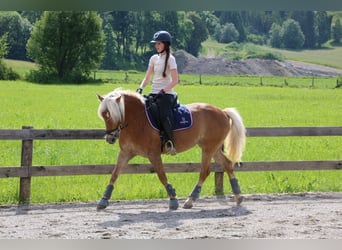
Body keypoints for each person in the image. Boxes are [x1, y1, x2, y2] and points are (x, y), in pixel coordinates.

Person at [137, 30, 179, 155]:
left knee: (163, 115)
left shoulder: (171, 59)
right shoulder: (153, 58)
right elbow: (147, 77)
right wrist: (140, 88)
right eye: (156, 44)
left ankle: (170, 143)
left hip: (166, 94)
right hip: (154, 93)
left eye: (159, 43)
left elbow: (176, 80)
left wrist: (163, 90)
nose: (156, 46)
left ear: (165, 44)